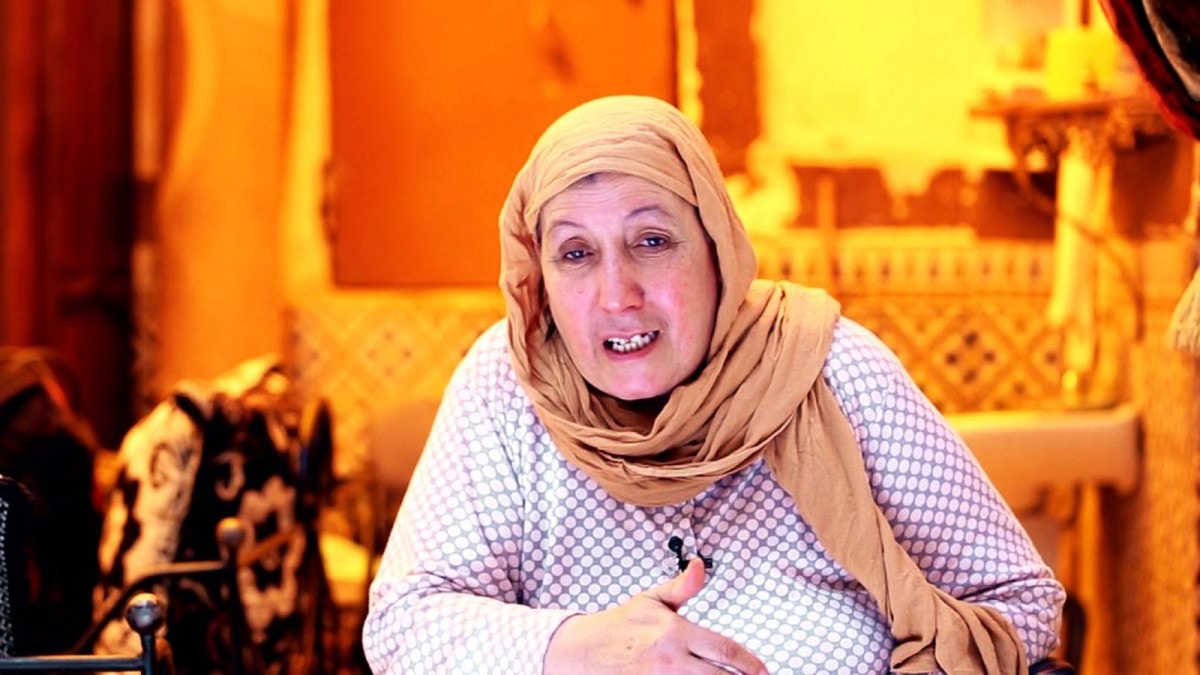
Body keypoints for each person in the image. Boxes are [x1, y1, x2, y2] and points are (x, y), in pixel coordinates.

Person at [363, 95, 1065, 674]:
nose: (617, 294)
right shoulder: (508, 385)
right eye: (575, 253)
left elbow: (1019, 598)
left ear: (716, 246)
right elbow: (403, 625)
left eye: (651, 241)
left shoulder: (830, 369)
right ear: (538, 276)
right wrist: (574, 646)